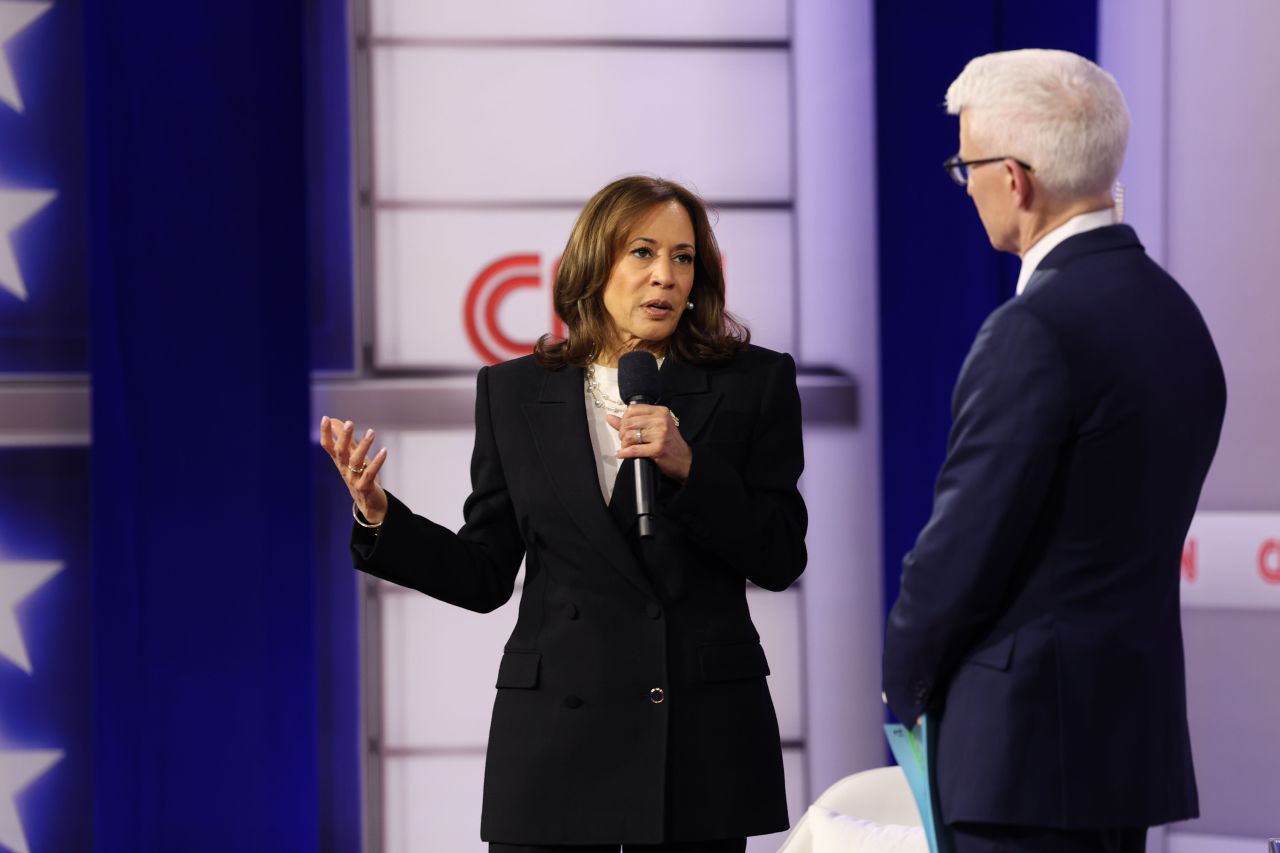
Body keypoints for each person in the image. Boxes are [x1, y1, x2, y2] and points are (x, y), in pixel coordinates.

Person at [320, 175, 807, 852]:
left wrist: (691, 470)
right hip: (555, 746)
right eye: (642, 252)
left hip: (695, 744)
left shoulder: (755, 382)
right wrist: (380, 517)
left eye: (683, 256)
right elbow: (485, 571)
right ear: (593, 265)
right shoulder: (514, 391)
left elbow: (782, 554)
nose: (664, 276)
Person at [882, 49, 1226, 853]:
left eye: (965, 167)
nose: (964, 187)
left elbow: (960, 549)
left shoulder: (1033, 330)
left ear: (1016, 179)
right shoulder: (1179, 318)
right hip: (1121, 753)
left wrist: (903, 681)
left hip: (1023, 759)